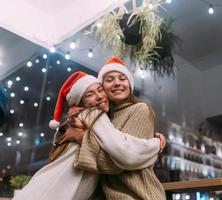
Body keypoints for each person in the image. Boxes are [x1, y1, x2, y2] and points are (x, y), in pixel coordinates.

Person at [13, 71, 165, 200]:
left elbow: (120, 152)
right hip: (54, 189)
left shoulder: (104, 115)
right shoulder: (94, 113)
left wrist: (82, 136)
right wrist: (154, 145)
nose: (99, 96)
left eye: (99, 90)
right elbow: (123, 152)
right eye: (90, 94)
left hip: (139, 195)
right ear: (81, 102)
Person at [73, 57, 166, 199]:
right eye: (109, 80)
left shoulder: (140, 109)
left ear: (129, 84)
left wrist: (81, 137)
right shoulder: (103, 119)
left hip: (139, 195)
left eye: (122, 79)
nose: (117, 83)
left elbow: (114, 165)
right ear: (102, 87)